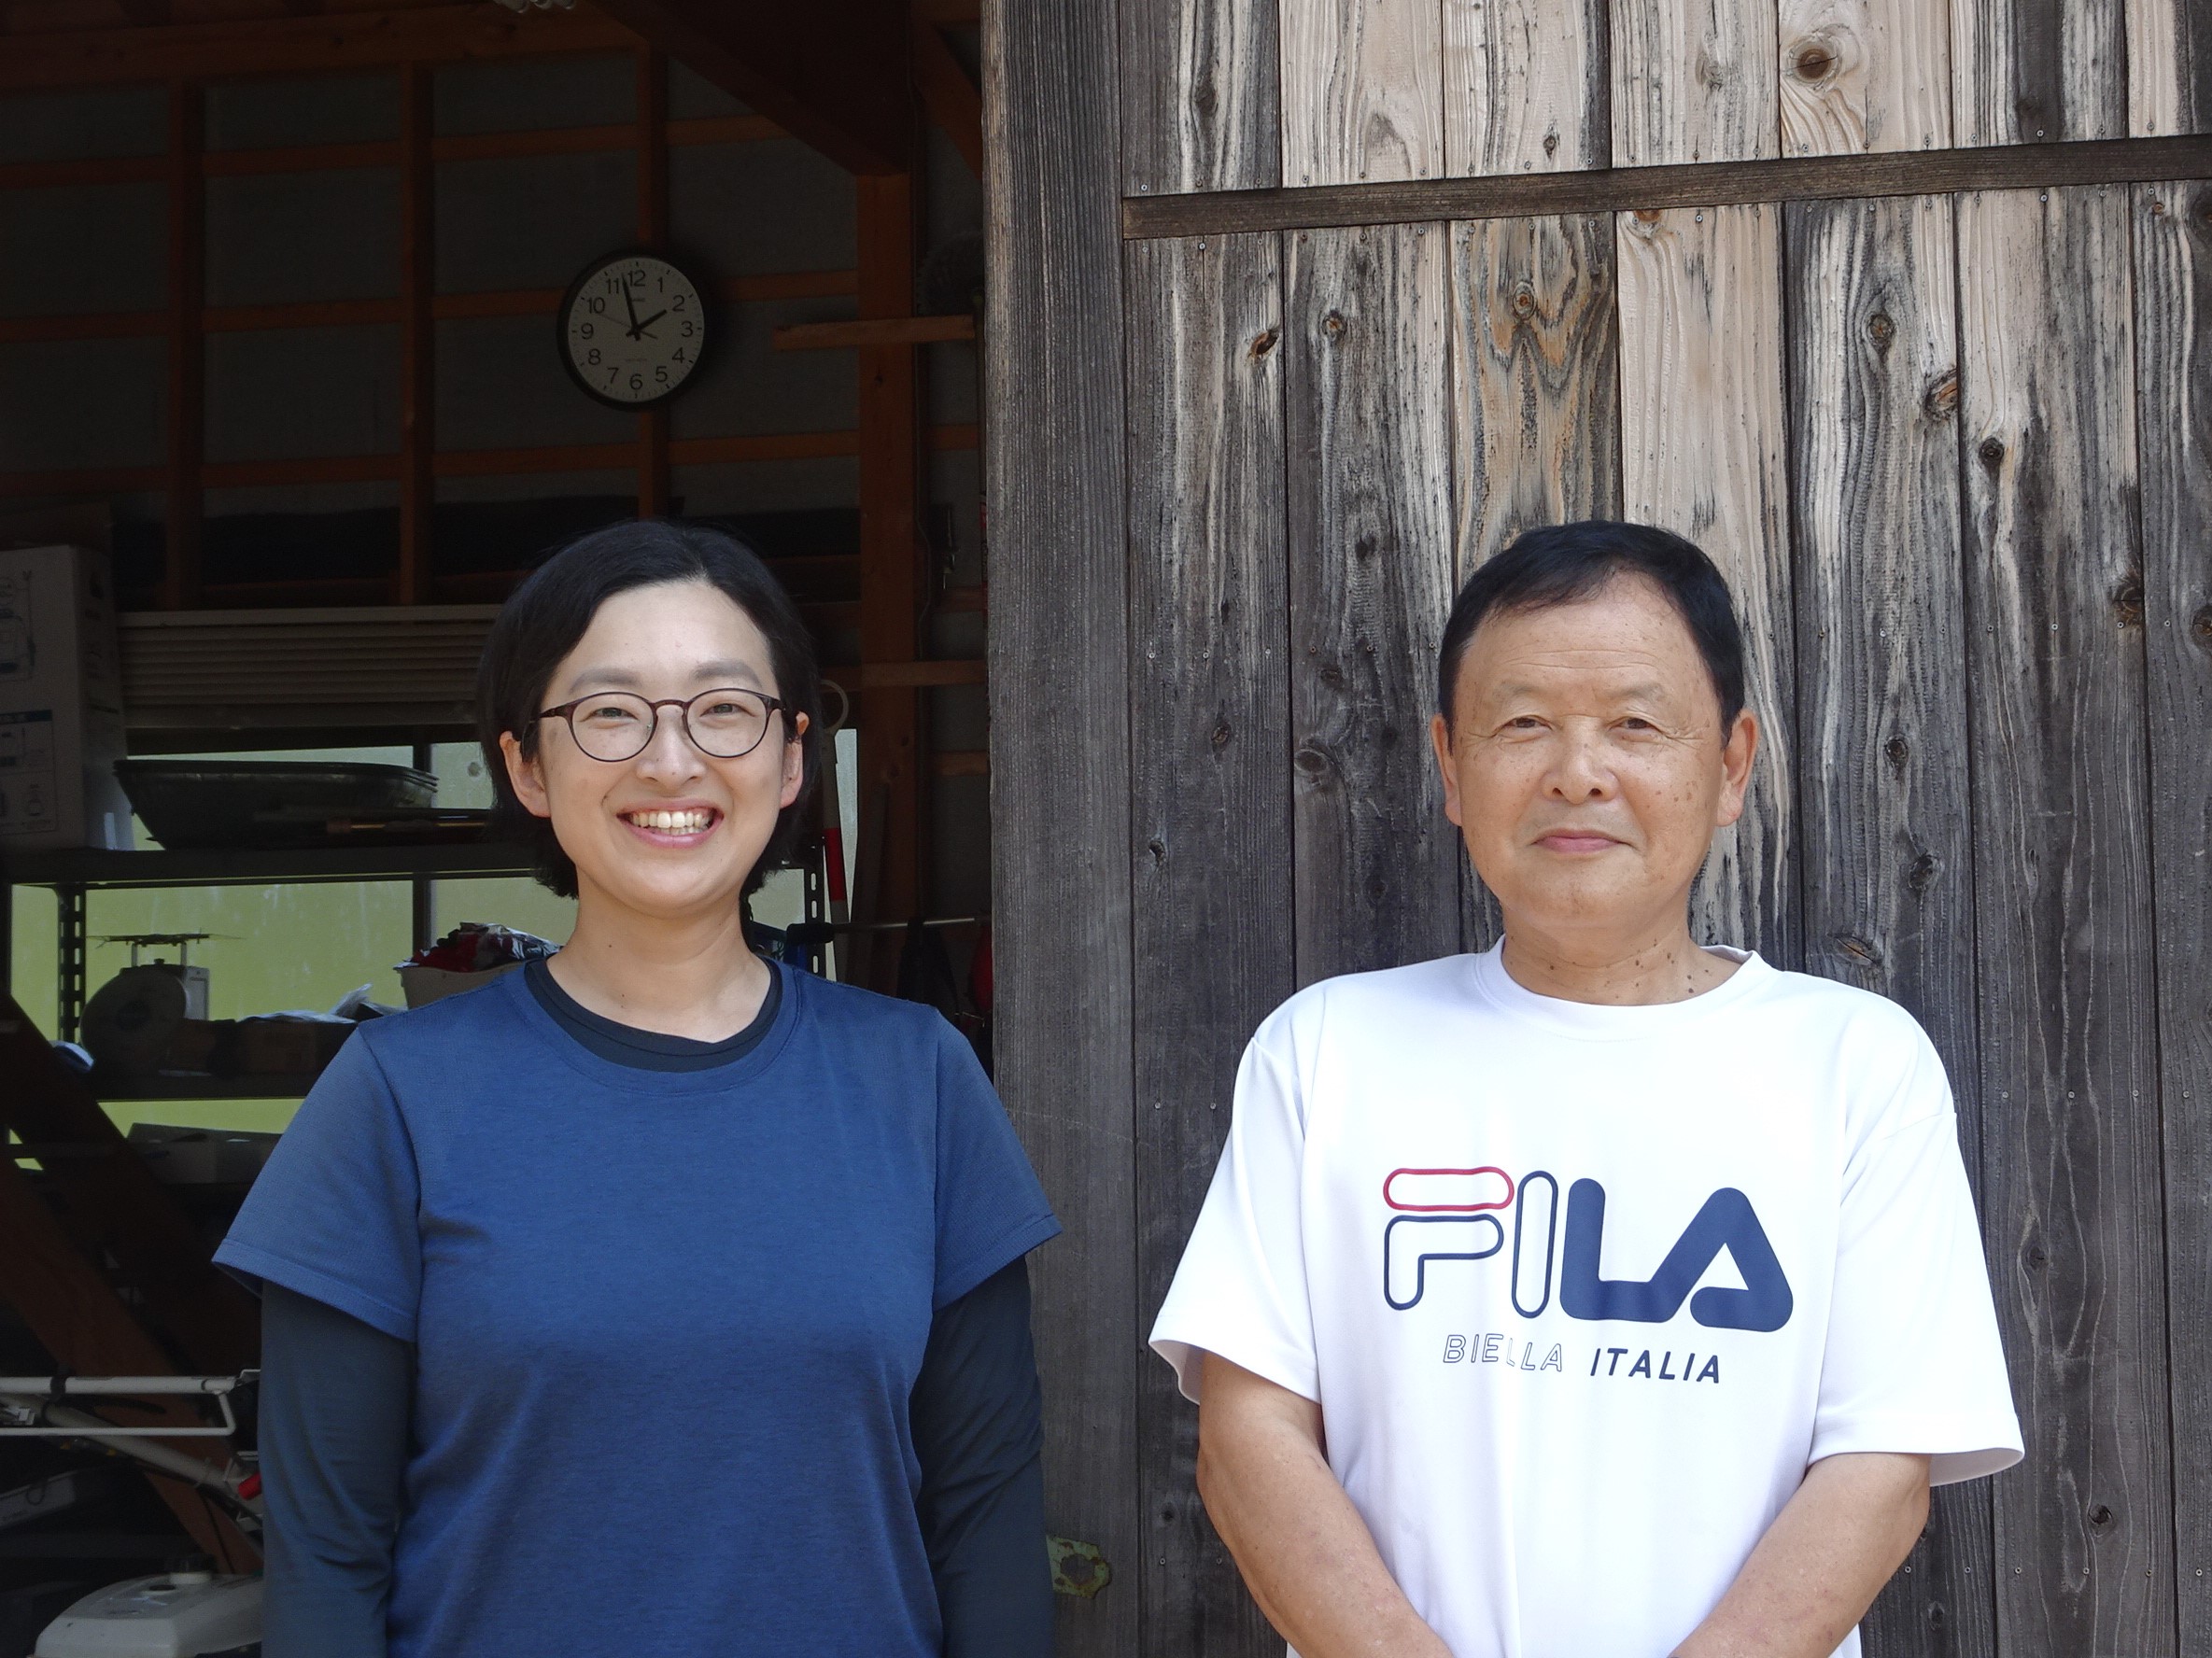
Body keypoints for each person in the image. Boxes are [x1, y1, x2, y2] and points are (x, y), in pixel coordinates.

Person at [1150, 521, 2021, 1658]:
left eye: (1634, 724)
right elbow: (1248, 1431)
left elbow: (1884, 1461)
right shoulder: (1326, 1052)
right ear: (1451, 766)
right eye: (1520, 725)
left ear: (1730, 765)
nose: (1576, 771)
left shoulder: (1854, 1065)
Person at [216, 521, 1061, 1658]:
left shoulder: (915, 1079)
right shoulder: (399, 1098)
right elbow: (324, 1560)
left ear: (792, 757)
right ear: (525, 764)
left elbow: (988, 1522)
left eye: (724, 708)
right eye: (610, 712)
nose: (672, 762)